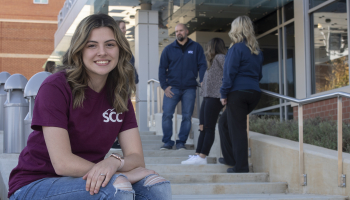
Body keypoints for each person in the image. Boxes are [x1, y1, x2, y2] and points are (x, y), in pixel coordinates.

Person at [8, 14, 172, 200]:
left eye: (110, 44)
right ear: (79, 51)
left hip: (86, 179)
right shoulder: (55, 87)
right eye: (92, 45)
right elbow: (63, 163)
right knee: (117, 188)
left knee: (157, 187)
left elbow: (136, 158)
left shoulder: (118, 93)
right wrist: (117, 174)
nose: (102, 52)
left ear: (120, 49)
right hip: (35, 183)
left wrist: (113, 162)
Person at [218, 16, 263, 173]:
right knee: (224, 123)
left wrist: (223, 93)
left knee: (237, 129)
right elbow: (259, 75)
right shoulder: (256, 51)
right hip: (254, 93)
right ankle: (230, 158)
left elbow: (229, 73)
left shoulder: (235, 48)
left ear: (235, 29)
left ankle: (241, 167)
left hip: (238, 94)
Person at [158, 23, 207, 150]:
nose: (178, 33)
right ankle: (168, 142)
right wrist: (164, 86)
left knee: (187, 116)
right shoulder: (168, 49)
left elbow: (202, 65)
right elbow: (162, 68)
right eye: (176, 32)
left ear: (186, 31)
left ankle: (181, 142)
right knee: (167, 114)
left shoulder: (196, 47)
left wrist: (202, 80)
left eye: (180, 31)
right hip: (172, 88)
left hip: (189, 88)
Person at [181, 38, 226, 164]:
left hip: (215, 97)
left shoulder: (221, 58)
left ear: (213, 47)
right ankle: (197, 155)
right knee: (202, 127)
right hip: (207, 96)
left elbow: (229, 73)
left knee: (208, 127)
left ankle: (202, 157)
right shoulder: (212, 61)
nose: (207, 50)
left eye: (208, 47)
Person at [111, 20, 139, 150]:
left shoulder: (125, 46)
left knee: (122, 112)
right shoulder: (112, 44)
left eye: (125, 28)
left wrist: (135, 80)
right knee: (114, 111)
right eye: (122, 28)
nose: (124, 30)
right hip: (115, 84)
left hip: (125, 86)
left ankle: (119, 139)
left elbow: (131, 65)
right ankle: (114, 138)